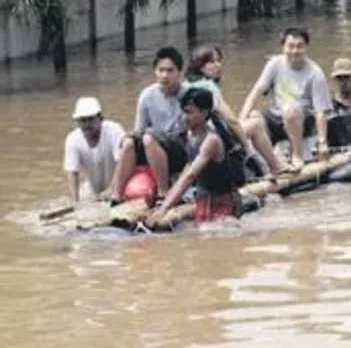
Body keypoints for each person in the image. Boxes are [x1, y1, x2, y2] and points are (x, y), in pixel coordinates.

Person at [239, 27, 333, 175]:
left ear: (306, 48)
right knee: (254, 118)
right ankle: (268, 163)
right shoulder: (274, 64)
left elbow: (320, 112)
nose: (295, 51)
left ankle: (297, 156)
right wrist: (240, 123)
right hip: (276, 116)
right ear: (283, 47)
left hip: (301, 118)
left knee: (291, 110)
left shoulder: (315, 73)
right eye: (291, 46)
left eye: (299, 46)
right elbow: (254, 95)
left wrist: (322, 142)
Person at [147, 88, 242, 225]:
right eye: (184, 112)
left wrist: (164, 209)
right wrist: (164, 203)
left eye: (190, 112)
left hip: (222, 202)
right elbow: (188, 169)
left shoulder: (211, 141)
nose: (185, 117)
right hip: (203, 199)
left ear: (204, 113)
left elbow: (191, 176)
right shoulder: (190, 136)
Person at [108, 46, 188, 206]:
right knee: (130, 141)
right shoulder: (147, 95)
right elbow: (139, 129)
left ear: (180, 72)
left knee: (149, 137)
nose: (165, 75)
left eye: (170, 71)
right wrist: (129, 139)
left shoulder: (189, 94)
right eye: (161, 70)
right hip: (152, 145)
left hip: (179, 147)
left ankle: (163, 192)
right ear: (155, 72)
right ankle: (116, 195)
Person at [63, 97, 126, 203]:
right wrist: (75, 202)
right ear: (77, 122)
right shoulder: (72, 139)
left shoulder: (114, 131)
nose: (87, 124)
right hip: (94, 189)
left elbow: (123, 162)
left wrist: (112, 188)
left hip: (120, 184)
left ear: (101, 118)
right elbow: (72, 172)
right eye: (83, 120)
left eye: (91, 119)